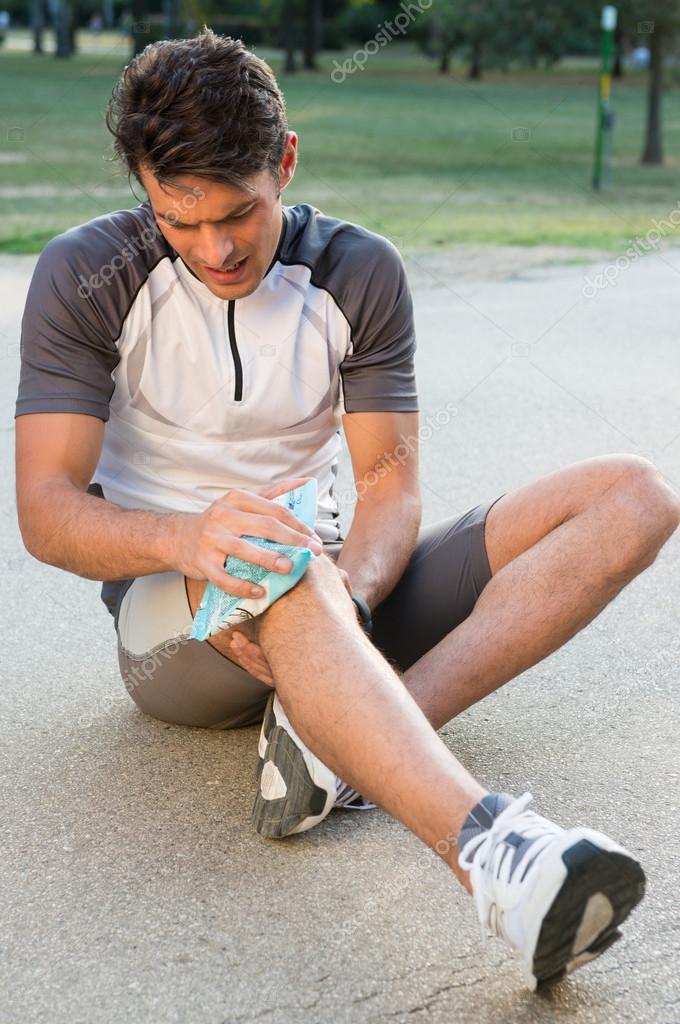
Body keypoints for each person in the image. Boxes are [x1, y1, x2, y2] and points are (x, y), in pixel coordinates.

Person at [14, 30, 679, 991]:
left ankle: (338, 746)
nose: (218, 248)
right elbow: (45, 510)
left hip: (331, 584)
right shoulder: (86, 275)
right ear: (145, 192)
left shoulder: (358, 270)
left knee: (637, 497)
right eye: (181, 221)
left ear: (284, 162)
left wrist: (353, 601)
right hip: (175, 622)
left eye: (240, 212)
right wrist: (189, 539)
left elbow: (389, 486)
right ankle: (498, 860)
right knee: (282, 559)